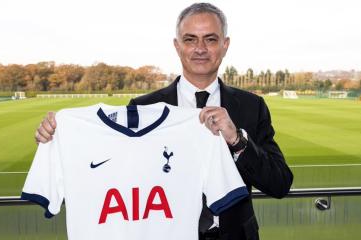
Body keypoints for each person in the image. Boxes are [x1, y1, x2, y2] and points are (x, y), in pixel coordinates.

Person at [35, 3, 293, 240]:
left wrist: (237, 139)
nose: (200, 49)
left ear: (225, 45)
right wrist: (57, 138)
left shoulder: (251, 106)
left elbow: (280, 183)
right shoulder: (142, 108)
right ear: (177, 45)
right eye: (190, 39)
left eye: (210, 39)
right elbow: (115, 171)